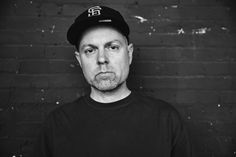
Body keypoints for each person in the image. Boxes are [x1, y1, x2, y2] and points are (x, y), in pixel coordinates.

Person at [32, 5, 193, 157]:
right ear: (79, 60)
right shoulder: (56, 125)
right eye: (90, 50)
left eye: (113, 47)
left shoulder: (166, 120)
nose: (102, 59)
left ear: (129, 54)